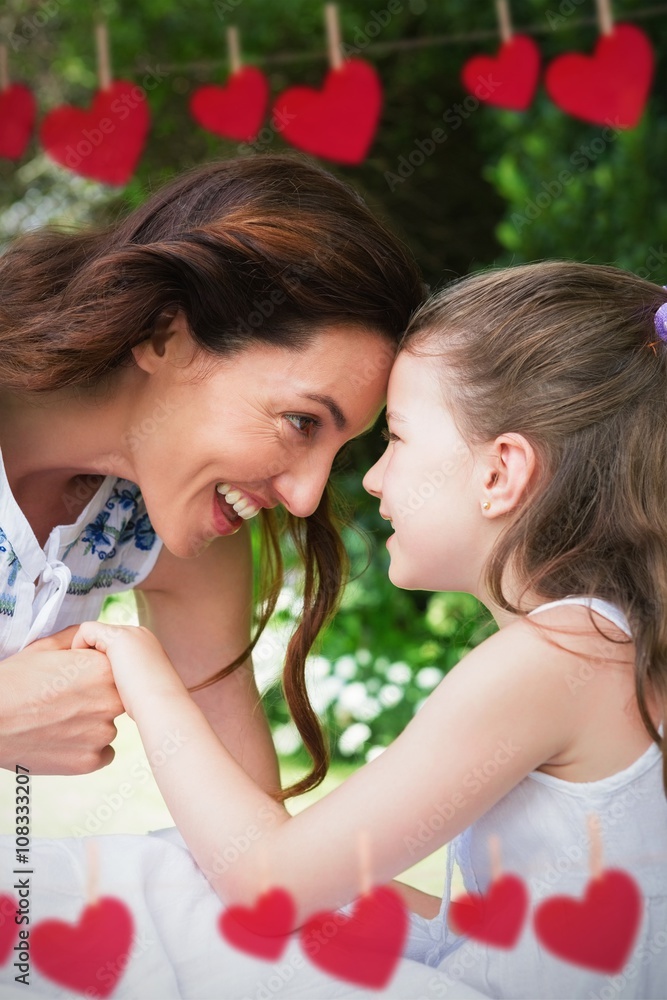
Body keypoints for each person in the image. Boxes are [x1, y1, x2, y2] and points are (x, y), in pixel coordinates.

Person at [64, 261, 667, 999]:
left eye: (398, 439)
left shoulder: (552, 660)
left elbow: (266, 885)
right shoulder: (614, 650)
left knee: (155, 889)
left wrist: (146, 678)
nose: (372, 479)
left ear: (499, 473)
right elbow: (515, 927)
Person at [0, 153, 424, 806]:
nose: (306, 497)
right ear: (167, 332)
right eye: (301, 422)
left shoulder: (171, 521)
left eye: (338, 451)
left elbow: (247, 839)